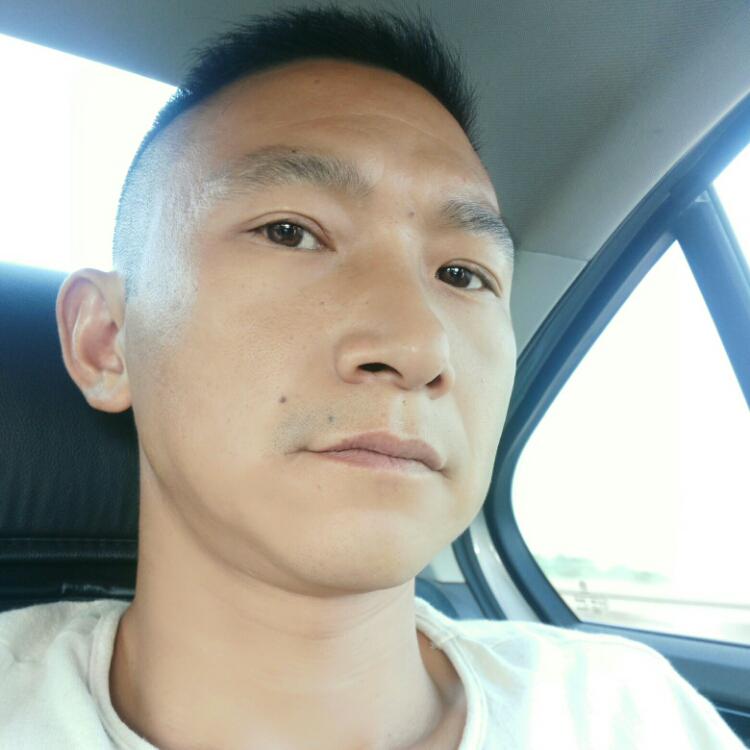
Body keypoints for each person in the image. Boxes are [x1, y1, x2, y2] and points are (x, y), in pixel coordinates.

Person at [0, 6, 744, 749]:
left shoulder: (631, 713)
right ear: (106, 342)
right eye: (290, 232)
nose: (418, 347)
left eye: (463, 274)